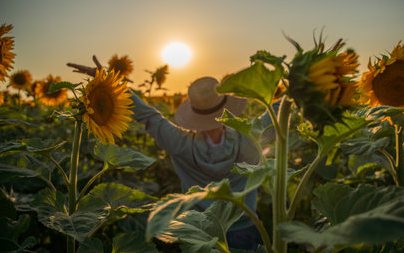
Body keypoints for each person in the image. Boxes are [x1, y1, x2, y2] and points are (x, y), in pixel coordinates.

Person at [67, 56, 271, 251]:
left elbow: (149, 116)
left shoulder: (180, 142)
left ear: (194, 111)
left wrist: (107, 82)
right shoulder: (249, 137)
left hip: (199, 231)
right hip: (244, 226)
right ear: (226, 105)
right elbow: (275, 115)